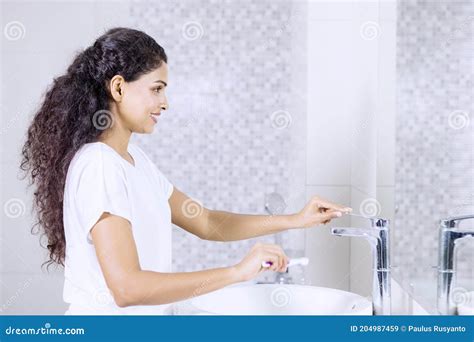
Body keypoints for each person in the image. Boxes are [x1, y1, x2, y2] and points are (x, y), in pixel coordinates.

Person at [20, 27, 352, 315]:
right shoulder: (99, 165)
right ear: (118, 88)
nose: (165, 102)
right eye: (156, 88)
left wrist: (295, 219)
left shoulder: (134, 162)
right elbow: (127, 288)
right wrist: (236, 272)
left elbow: (207, 222)